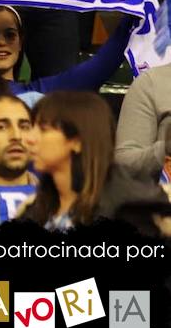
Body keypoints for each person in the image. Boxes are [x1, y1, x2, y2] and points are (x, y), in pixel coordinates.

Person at [21, 90, 168, 231]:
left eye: (43, 129)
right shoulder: (34, 210)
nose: (28, 138)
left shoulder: (131, 209)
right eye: (30, 127)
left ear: (78, 140)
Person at [0, 4, 137, 97]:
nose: (1, 42)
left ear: (21, 42)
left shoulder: (42, 93)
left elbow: (101, 66)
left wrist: (133, 5)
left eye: (10, 35)